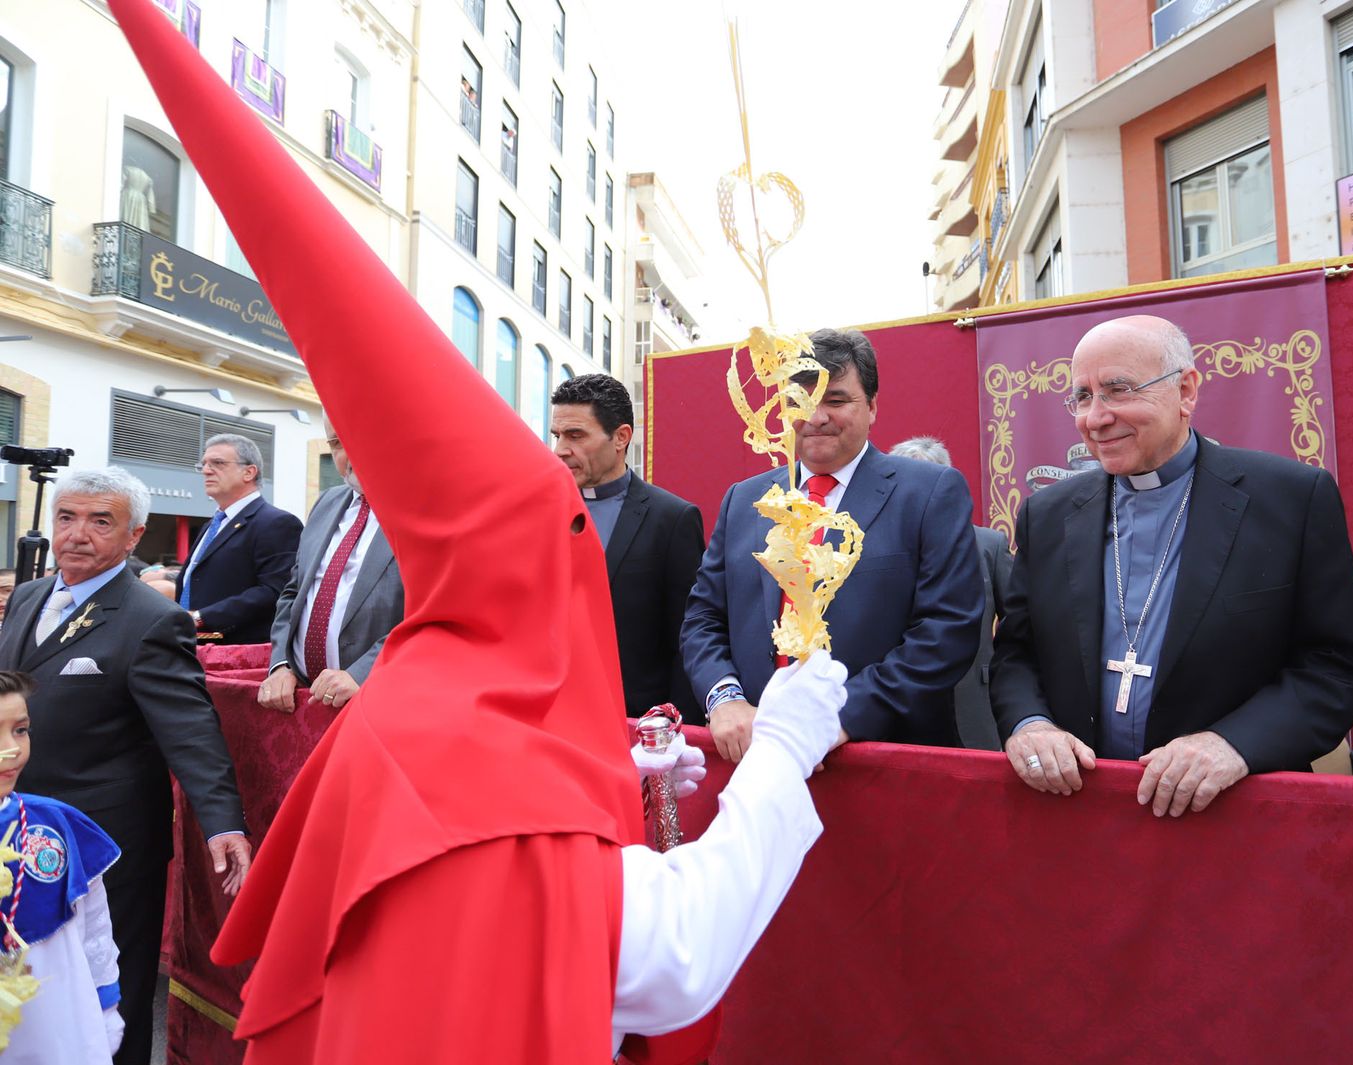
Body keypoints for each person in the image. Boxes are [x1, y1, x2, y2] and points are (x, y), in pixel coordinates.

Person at [109, 3, 854, 1059]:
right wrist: (786, 741)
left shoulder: (414, 709)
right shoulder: (484, 762)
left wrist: (621, 777)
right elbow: (670, 952)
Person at [990, 314, 1353, 816]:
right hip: (1078, 812)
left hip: (1233, 815)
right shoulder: (1048, 513)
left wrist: (1231, 744)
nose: (1096, 417)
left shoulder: (1291, 499)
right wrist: (1030, 725)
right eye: (1083, 397)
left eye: (1119, 389)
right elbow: (1016, 653)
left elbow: (1336, 668)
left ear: (1186, 391)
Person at [0, 466, 249, 1065]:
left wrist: (223, 823)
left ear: (134, 536)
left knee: (109, 996)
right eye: (67, 517)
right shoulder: (30, 596)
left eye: (99, 521)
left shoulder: (150, 619)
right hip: (16, 831)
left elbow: (190, 731)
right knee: (27, 988)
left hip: (104, 844)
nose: (78, 534)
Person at [682, 328, 984, 762]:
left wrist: (838, 717)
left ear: (873, 406)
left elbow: (947, 630)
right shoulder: (744, 501)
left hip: (875, 758)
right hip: (754, 756)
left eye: (836, 400)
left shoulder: (929, 493)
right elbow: (704, 617)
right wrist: (724, 697)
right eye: (797, 402)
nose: (816, 416)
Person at [551, 374, 705, 720]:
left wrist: (670, 732)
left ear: (621, 437)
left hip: (634, 729)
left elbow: (689, 639)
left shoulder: (672, 519)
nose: (561, 449)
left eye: (576, 435)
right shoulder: (537, 514)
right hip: (548, 723)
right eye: (557, 436)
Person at [0, 669, 124, 1063]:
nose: (11, 749)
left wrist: (105, 1009)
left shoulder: (56, 826)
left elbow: (95, 928)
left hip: (57, 1025)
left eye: (20, 730)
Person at [259, 420, 403, 714]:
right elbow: (294, 592)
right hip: (303, 703)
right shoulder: (326, 502)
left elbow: (432, 612)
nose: (348, 454)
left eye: (359, 437)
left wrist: (363, 673)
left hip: (380, 704)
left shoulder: (426, 508)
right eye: (336, 443)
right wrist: (282, 663)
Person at [889, 435, 1011, 750]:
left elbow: (1020, 622)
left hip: (973, 704)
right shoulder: (868, 548)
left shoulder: (988, 545)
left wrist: (999, 674)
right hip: (897, 709)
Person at [172, 433, 302, 644]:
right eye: (203, 464)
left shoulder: (277, 523)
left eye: (218, 463)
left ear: (249, 472)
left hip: (237, 657)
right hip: (190, 647)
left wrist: (201, 617)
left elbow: (275, 591)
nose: (206, 470)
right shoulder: (212, 525)